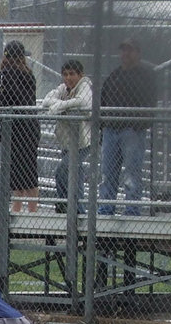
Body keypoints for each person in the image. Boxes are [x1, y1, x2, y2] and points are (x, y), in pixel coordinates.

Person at [98, 38, 157, 216]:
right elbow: (104, 100)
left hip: (132, 131)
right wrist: (104, 125)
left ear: (137, 53)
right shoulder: (114, 75)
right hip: (111, 130)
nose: (125, 54)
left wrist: (138, 125)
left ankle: (132, 210)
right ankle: (106, 208)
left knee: (132, 173)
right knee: (108, 173)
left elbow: (150, 104)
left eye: (129, 50)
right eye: (123, 50)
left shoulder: (145, 76)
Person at [0, 40, 38, 213]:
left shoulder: (7, 73)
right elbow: (15, 99)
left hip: (17, 127)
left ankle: (24, 209)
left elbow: (9, 99)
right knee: (24, 168)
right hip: (28, 126)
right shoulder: (27, 73)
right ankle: (23, 208)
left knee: (22, 169)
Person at [42, 60, 93, 214]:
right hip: (67, 141)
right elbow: (46, 101)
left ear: (80, 75)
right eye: (65, 74)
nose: (68, 78)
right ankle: (76, 210)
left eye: (72, 74)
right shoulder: (63, 88)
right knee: (75, 178)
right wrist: (63, 104)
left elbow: (83, 102)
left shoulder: (85, 86)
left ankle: (67, 205)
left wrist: (59, 106)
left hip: (82, 142)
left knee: (62, 171)